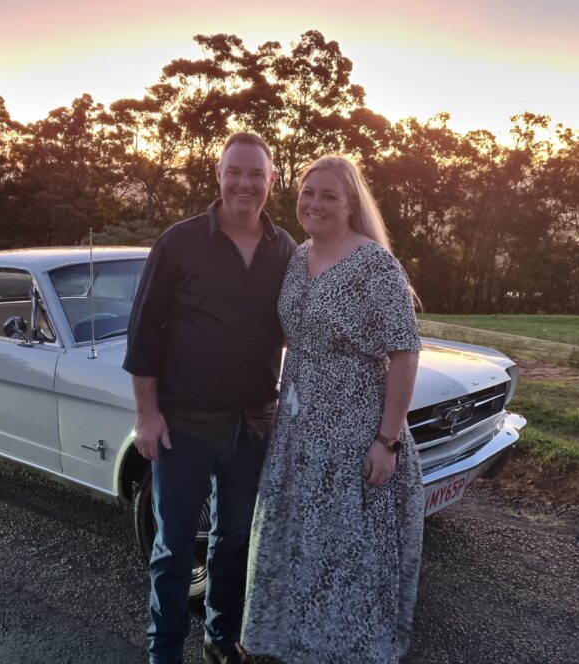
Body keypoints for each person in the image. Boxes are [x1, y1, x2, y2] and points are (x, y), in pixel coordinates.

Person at [241, 155, 423, 664]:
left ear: (350, 204)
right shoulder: (297, 257)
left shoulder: (374, 264)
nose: (314, 203)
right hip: (298, 430)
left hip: (354, 429)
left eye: (329, 195)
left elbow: (405, 353)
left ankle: (342, 651)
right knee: (297, 543)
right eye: (307, 192)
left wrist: (387, 440)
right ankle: (292, 644)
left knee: (346, 555)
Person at [123, 132, 296, 664]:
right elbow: (144, 333)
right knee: (174, 547)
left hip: (253, 424)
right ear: (218, 175)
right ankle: (164, 652)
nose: (244, 183)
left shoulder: (284, 249)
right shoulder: (179, 243)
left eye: (256, 174)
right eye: (234, 171)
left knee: (235, 541)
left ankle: (221, 640)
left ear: (271, 181)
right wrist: (147, 415)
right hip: (185, 423)